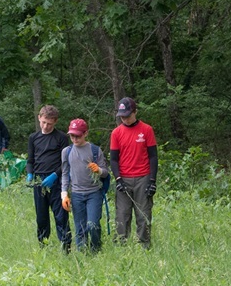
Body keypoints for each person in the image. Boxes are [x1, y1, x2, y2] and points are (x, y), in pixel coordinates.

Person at [110, 97, 158, 249]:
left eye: (128, 115)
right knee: (122, 215)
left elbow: (153, 156)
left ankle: (144, 246)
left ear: (135, 112)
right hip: (124, 178)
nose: (125, 119)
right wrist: (118, 178)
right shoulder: (116, 133)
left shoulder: (146, 130)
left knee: (143, 214)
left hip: (143, 177)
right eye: (122, 116)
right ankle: (121, 247)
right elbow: (113, 159)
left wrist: (152, 181)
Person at [26, 105, 72, 252]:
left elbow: (66, 162)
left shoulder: (62, 138)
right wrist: (30, 174)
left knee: (61, 216)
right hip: (39, 182)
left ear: (55, 122)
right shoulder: (34, 138)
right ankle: (43, 248)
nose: (46, 126)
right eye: (43, 122)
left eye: (49, 124)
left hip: (56, 181)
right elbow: (30, 160)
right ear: (39, 118)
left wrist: (55, 175)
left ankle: (66, 248)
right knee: (41, 218)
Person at [61, 118, 109, 253]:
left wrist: (98, 170)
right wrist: (64, 194)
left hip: (94, 193)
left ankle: (96, 250)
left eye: (78, 135)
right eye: (72, 136)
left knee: (92, 225)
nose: (75, 139)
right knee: (80, 228)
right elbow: (65, 174)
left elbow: (105, 173)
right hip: (76, 194)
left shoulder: (94, 150)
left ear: (85, 133)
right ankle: (83, 255)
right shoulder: (67, 152)